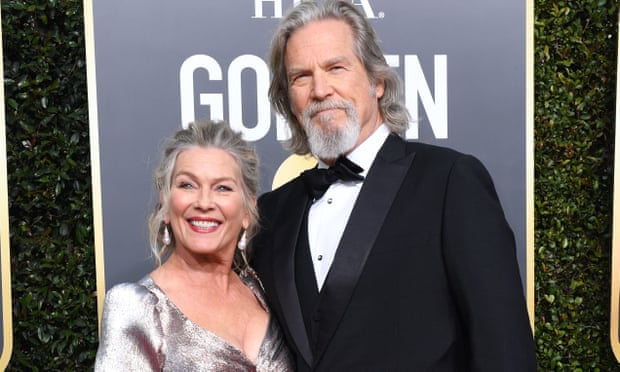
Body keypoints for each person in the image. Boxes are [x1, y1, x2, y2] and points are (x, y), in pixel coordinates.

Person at [250, 1, 537, 370]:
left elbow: (504, 351)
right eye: (301, 77)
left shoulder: (450, 182)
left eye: (336, 67)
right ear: (289, 100)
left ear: (377, 81)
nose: (320, 89)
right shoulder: (273, 213)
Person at [95, 120, 294, 371]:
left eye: (222, 188)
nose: (204, 202)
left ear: (247, 209)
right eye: (188, 185)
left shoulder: (263, 290)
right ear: (166, 202)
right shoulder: (136, 308)